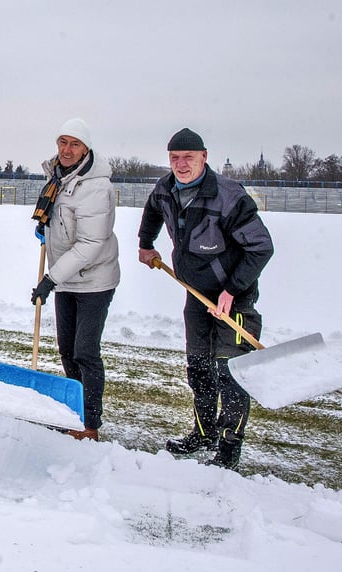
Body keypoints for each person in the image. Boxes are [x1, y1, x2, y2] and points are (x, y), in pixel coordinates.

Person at [137, 127, 274, 470]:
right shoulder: (166, 188)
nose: (181, 165)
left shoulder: (229, 196)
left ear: (204, 157)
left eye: (188, 157)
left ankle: (229, 446)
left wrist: (231, 290)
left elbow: (261, 247)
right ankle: (204, 432)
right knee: (199, 368)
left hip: (234, 298)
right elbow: (153, 209)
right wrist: (145, 243)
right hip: (196, 295)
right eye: (174, 158)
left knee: (230, 372)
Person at [30, 118, 120, 442]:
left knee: (85, 351)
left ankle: (90, 424)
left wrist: (50, 279)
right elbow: (62, 221)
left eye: (74, 144)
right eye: (62, 143)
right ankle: (75, 414)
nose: (67, 150)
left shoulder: (96, 187)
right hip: (66, 278)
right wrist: (47, 228)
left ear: (86, 149)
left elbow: (91, 244)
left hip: (95, 280)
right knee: (67, 350)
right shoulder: (57, 177)